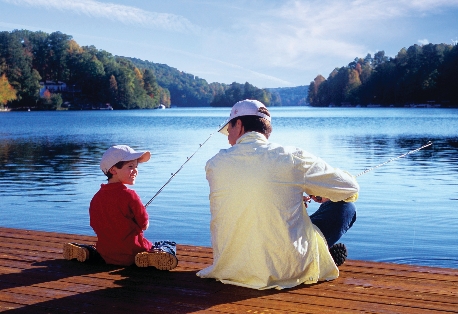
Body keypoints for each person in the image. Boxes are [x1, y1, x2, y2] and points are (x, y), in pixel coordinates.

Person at [197, 99, 359, 290]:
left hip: (230, 267)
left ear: (239, 126)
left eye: (229, 130)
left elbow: (250, 195)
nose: (228, 138)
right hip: (285, 270)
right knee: (345, 207)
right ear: (267, 131)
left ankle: (324, 253)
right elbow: (350, 187)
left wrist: (292, 195)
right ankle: (322, 254)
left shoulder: (214, 164)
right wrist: (319, 192)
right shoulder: (291, 157)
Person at [63, 145, 178, 270]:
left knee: (99, 250)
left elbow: (94, 224)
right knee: (167, 244)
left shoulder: (96, 198)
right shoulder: (130, 196)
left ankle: (88, 252)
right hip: (132, 253)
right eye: (130, 166)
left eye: (136, 166)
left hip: (107, 254)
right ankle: (150, 256)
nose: (135, 170)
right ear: (113, 170)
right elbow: (144, 225)